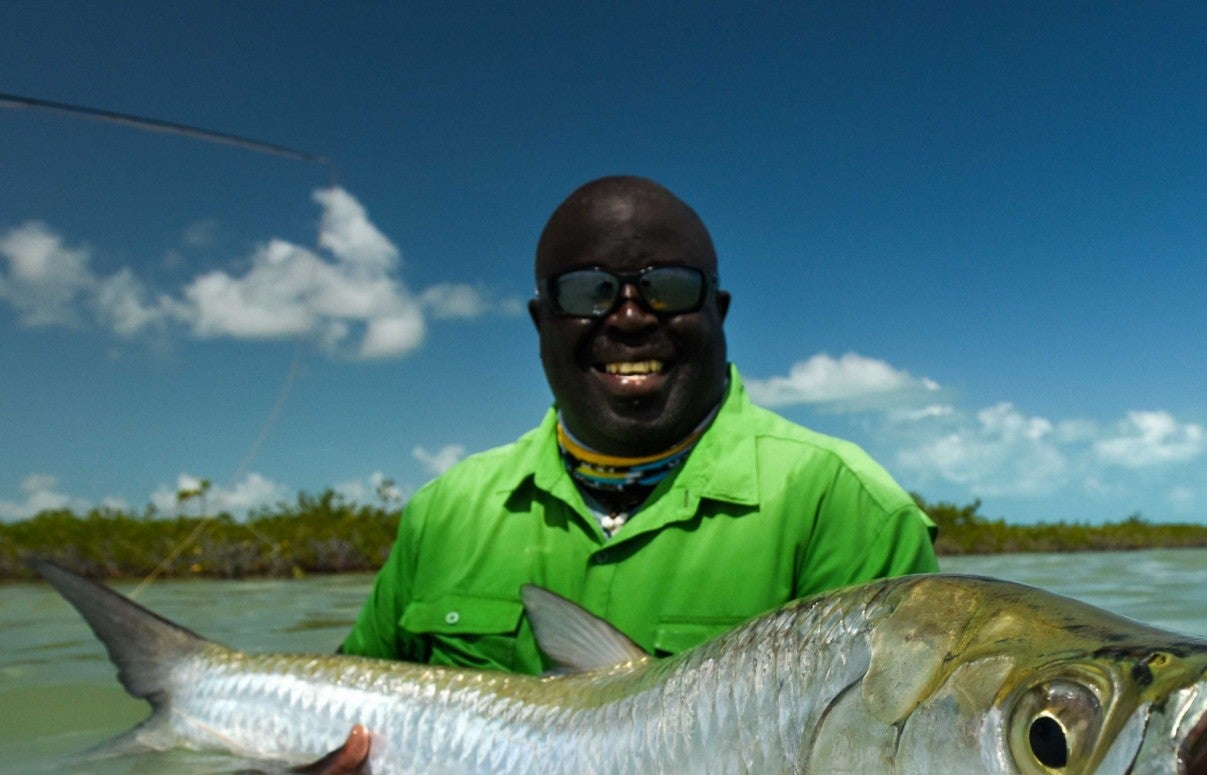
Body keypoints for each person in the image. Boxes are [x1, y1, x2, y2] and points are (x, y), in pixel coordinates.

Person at [341, 176, 937, 672]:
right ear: (540, 321)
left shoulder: (847, 509)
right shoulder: (442, 512)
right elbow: (338, 724)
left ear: (718, 312)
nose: (629, 317)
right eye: (586, 293)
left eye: (668, 288)